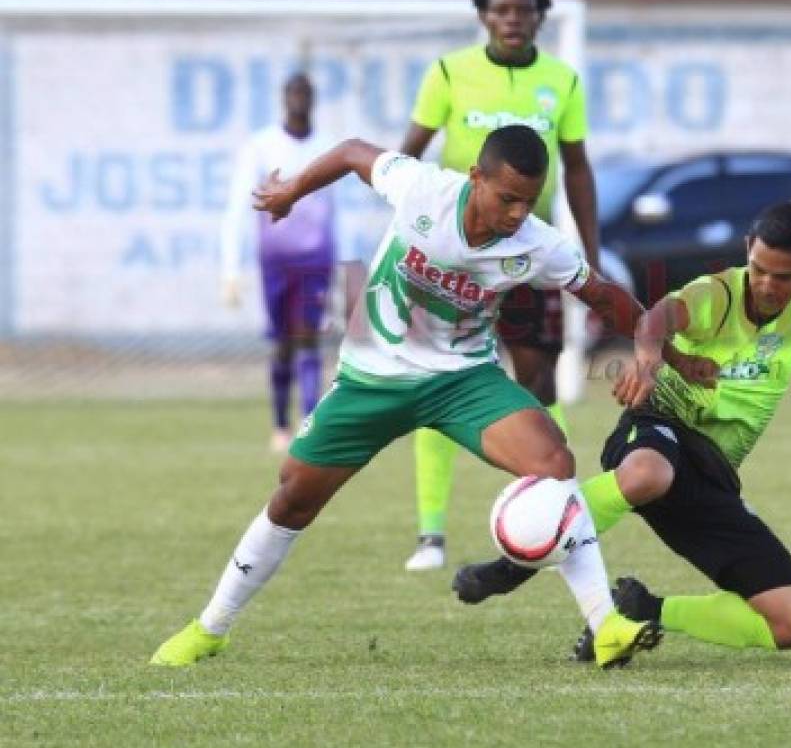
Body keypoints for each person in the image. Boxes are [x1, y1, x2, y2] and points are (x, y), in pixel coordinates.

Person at [151, 125, 669, 670]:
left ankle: (605, 624)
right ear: (476, 179)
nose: (518, 214)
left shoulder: (537, 242)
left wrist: (653, 351)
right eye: (507, 198)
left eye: (528, 201)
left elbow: (605, 295)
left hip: (462, 381)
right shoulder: (424, 189)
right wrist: (291, 192)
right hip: (373, 376)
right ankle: (211, 628)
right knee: (293, 497)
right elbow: (352, 152)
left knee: (553, 459)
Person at [452, 201, 791, 658]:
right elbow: (655, 320)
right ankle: (517, 562)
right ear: (746, 254)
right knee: (647, 473)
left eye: (784, 276)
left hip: (711, 475)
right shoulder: (717, 294)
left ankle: (644, 609)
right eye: (758, 269)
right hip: (659, 426)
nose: (767, 285)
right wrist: (647, 363)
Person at [397, 0, 601, 571]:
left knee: (538, 383)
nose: (513, 19)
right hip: (453, 260)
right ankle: (430, 534)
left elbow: (578, 166)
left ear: (540, 16)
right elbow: (407, 158)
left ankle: (558, 513)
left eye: (524, 10)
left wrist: (587, 248)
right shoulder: (447, 74)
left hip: (525, 258)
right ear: (484, 15)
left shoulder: (561, 81)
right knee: (435, 384)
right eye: (502, 10)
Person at [220, 73, 337, 452]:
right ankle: (280, 424)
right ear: (284, 98)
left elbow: (339, 209)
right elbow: (240, 205)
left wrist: (350, 263)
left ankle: (309, 422)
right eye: (294, 92)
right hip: (275, 260)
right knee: (283, 343)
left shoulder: (327, 147)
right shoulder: (261, 146)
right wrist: (230, 268)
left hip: (316, 259)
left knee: (309, 338)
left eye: (306, 92)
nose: (300, 99)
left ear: (314, 99)